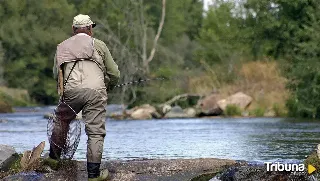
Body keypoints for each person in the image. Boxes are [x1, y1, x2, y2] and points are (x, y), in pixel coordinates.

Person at [49, 14, 120, 180]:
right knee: (95, 132)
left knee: (61, 120)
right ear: (90, 29)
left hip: (71, 92)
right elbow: (114, 73)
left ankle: (53, 160)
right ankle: (93, 176)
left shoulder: (62, 47)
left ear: (73, 29)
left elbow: (55, 74)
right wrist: (108, 85)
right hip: (96, 92)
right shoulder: (99, 45)